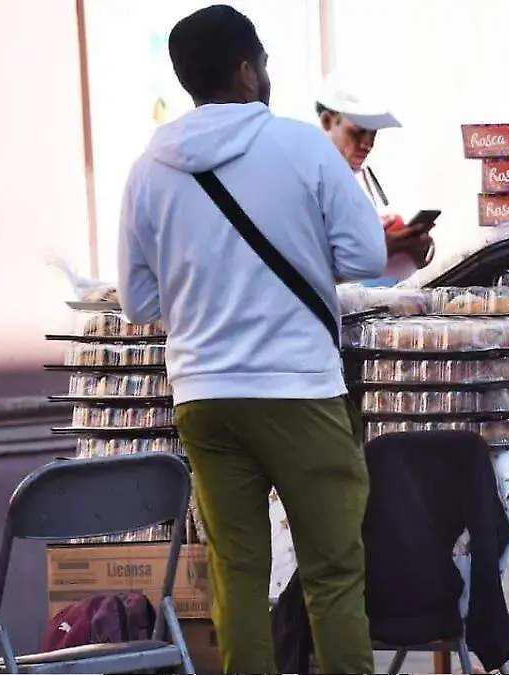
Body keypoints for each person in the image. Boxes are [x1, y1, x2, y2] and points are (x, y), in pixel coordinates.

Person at [116, 5, 385, 672]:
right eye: (262, 61)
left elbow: (138, 301)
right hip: (299, 388)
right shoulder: (300, 147)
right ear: (245, 70)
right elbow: (367, 256)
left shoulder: (148, 169)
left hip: (205, 395)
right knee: (333, 571)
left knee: (237, 571)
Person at [315, 75, 434, 285]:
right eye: (358, 132)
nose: (367, 144)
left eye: (373, 134)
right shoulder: (306, 184)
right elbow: (309, 267)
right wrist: (377, 249)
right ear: (327, 122)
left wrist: (420, 248)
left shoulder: (373, 175)